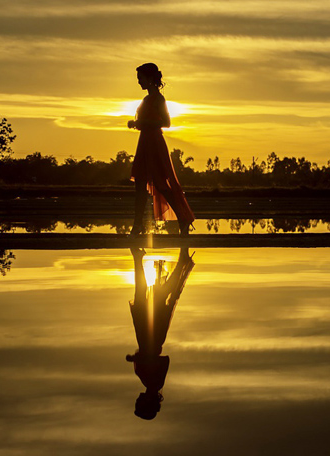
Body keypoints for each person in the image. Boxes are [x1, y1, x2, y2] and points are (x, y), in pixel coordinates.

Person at [126, 247, 195, 419]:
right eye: (139, 403)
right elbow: (164, 360)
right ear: (148, 403)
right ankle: (180, 262)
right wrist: (139, 358)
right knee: (153, 296)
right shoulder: (155, 383)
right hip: (153, 337)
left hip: (146, 337)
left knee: (144, 296)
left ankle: (140, 258)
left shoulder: (151, 383)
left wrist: (137, 358)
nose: (137, 400)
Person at [128, 63, 195, 236]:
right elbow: (145, 122)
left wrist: (142, 124)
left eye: (140, 78)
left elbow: (166, 122)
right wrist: (136, 124)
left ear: (150, 79)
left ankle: (183, 218)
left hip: (155, 143)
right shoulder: (146, 100)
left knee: (161, 184)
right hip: (144, 142)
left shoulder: (159, 99)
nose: (139, 82)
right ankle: (137, 225)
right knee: (140, 185)